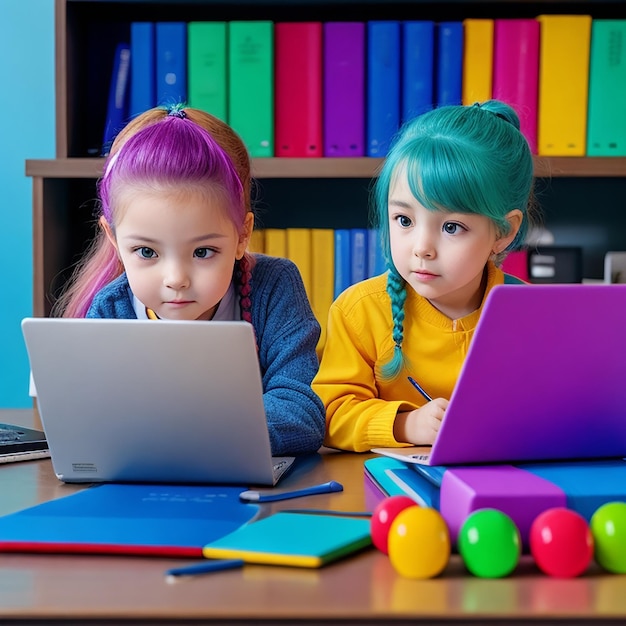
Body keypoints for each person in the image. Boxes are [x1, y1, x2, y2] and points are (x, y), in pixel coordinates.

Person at [52, 104, 325, 456]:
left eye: (202, 252)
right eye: (147, 252)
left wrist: (198, 437)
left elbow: (301, 411)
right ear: (115, 240)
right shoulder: (112, 309)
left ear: (243, 234)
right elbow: (91, 421)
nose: (176, 279)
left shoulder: (274, 288)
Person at [312, 100, 539, 452]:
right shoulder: (359, 311)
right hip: (391, 491)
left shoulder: (532, 311)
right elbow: (330, 415)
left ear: (504, 232)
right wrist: (406, 424)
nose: (422, 247)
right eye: (404, 220)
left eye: (451, 226)